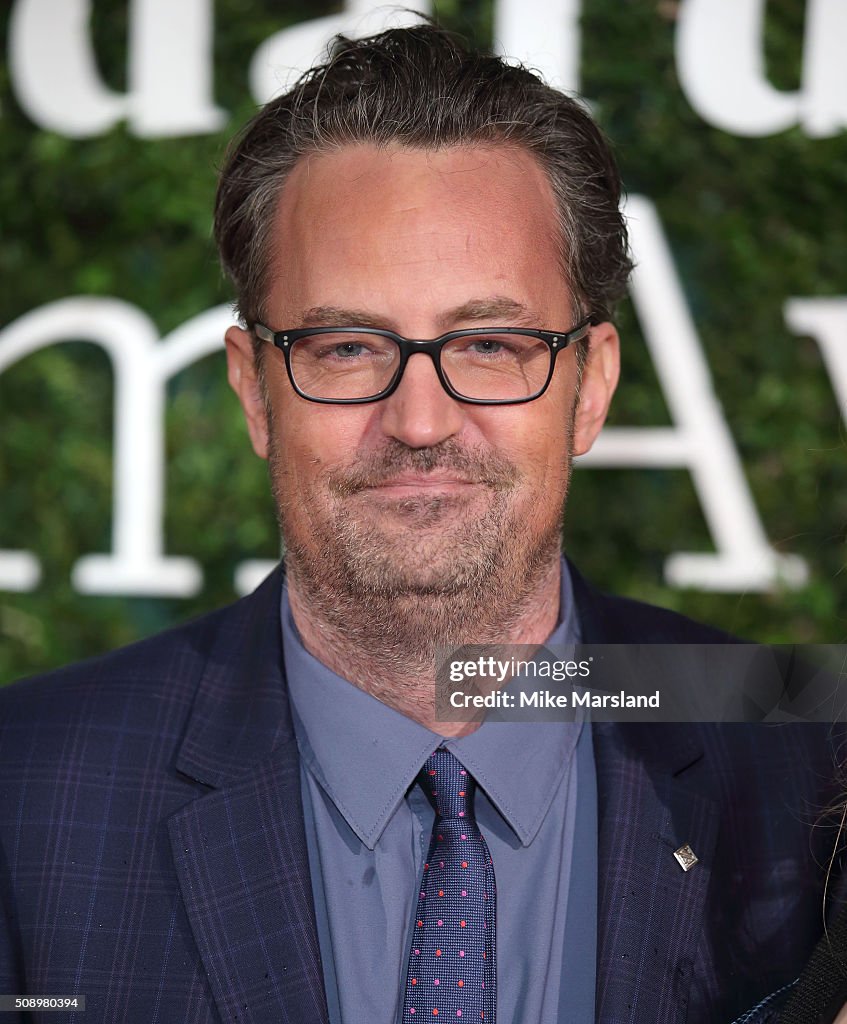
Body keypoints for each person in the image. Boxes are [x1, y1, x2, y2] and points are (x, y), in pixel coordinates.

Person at [0, 22, 841, 1024]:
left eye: (489, 342)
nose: (419, 420)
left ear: (590, 384)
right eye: (347, 346)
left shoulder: (807, 753)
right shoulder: (26, 791)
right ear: (254, 390)